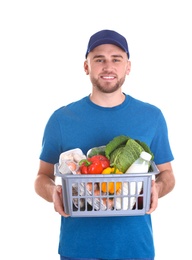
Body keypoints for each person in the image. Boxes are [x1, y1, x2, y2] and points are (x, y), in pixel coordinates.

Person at [34, 29, 175, 260]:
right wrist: (53, 192)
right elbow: (41, 177)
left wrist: (157, 188)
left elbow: (168, 174)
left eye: (116, 59)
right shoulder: (61, 119)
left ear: (128, 67)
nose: (108, 67)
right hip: (78, 250)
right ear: (86, 66)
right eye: (99, 59)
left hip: (135, 248)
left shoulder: (152, 116)